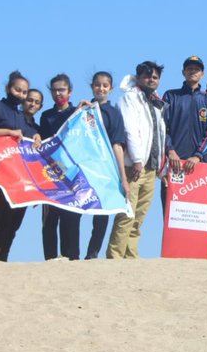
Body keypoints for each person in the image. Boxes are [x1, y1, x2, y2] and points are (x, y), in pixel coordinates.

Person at [0, 70, 40, 261]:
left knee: (12, 222)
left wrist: (36, 136)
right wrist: (7, 132)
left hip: (16, 179)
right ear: (8, 88)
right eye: (17, 89)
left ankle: (2, 257)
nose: (20, 94)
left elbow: (28, 135)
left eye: (24, 92)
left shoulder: (20, 116)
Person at [107, 62, 166, 260]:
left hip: (151, 167)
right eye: (147, 76)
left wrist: (160, 166)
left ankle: (131, 256)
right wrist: (138, 159)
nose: (151, 80)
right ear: (139, 78)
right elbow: (130, 129)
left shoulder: (156, 102)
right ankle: (115, 256)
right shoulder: (129, 98)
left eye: (155, 77)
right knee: (127, 214)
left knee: (139, 216)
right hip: (134, 166)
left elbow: (159, 135)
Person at [80, 72, 129, 260]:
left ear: (111, 88)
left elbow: (118, 144)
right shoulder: (84, 109)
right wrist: (78, 110)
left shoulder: (114, 113)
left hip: (106, 169)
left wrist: (123, 177)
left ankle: (92, 254)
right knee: (74, 210)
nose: (101, 88)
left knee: (102, 213)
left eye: (105, 85)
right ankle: (70, 253)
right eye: (98, 85)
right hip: (84, 166)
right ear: (92, 86)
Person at [161, 56, 207, 209]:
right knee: (170, 213)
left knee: (198, 213)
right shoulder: (170, 96)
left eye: (197, 69)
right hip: (174, 164)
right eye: (189, 68)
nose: (193, 71)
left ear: (202, 74)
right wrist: (170, 150)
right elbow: (162, 127)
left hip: (199, 165)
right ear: (183, 72)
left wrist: (198, 155)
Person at [40, 73, 80, 261]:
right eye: (55, 90)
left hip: (72, 173)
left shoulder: (77, 113)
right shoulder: (45, 116)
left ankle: (71, 256)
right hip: (49, 174)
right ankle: (50, 258)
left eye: (62, 90)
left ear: (69, 92)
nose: (58, 93)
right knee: (49, 220)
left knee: (71, 218)